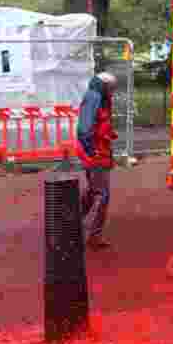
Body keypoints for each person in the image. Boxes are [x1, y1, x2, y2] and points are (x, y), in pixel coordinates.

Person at [75, 72, 118, 249]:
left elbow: (98, 125)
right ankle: (93, 235)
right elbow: (85, 128)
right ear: (105, 86)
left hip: (98, 152)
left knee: (93, 191)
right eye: (112, 88)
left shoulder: (98, 97)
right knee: (102, 195)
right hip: (96, 154)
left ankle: (72, 222)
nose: (113, 92)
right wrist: (91, 150)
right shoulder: (95, 98)